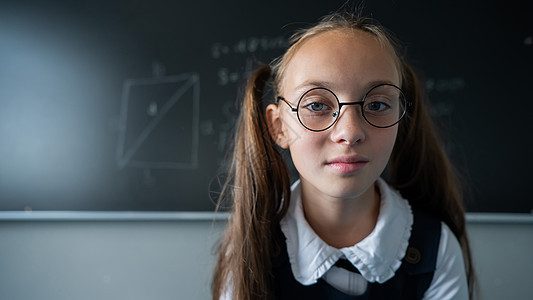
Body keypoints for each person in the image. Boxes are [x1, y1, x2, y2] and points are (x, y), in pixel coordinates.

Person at [212, 11, 475, 300]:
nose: (350, 133)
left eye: (376, 104)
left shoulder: (435, 249)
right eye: (316, 106)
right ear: (279, 127)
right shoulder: (249, 250)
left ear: (401, 118)